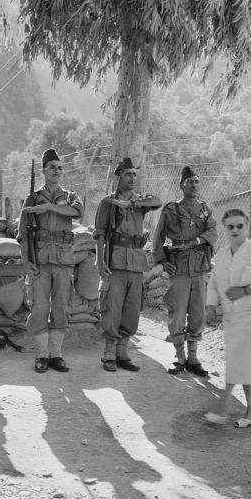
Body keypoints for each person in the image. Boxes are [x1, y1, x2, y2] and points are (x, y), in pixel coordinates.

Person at [202, 209, 251, 426]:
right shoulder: (222, 254)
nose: (235, 230)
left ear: (247, 226)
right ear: (225, 228)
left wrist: (245, 291)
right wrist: (209, 306)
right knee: (241, 362)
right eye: (230, 226)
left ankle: (222, 405)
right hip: (232, 316)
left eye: (239, 226)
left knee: (239, 360)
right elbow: (215, 284)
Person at [18, 148, 83, 373]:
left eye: (60, 168)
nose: (57, 171)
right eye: (52, 167)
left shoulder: (71, 196)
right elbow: (23, 234)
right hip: (40, 259)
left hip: (63, 260)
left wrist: (48, 207)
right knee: (39, 306)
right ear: (44, 171)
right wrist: (27, 262)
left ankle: (57, 354)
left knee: (61, 306)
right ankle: (42, 354)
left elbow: (77, 212)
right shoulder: (32, 198)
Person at [94, 157, 162, 372]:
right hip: (114, 262)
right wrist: (99, 260)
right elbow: (100, 233)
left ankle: (123, 352)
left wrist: (132, 203)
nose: (132, 178)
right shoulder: (108, 203)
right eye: (128, 174)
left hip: (136, 262)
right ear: (119, 177)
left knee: (132, 309)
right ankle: (109, 353)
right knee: (112, 308)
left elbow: (157, 201)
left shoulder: (141, 202)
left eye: (134, 174)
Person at [153, 166, 217, 376]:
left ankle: (193, 357)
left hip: (199, 267)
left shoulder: (205, 209)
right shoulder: (171, 209)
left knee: (198, 313)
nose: (194, 185)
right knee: (178, 312)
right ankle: (179, 356)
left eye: (197, 181)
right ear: (181, 185)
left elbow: (213, 231)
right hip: (179, 266)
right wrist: (162, 260)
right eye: (190, 181)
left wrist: (196, 240)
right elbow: (159, 236)